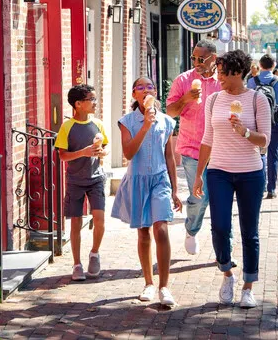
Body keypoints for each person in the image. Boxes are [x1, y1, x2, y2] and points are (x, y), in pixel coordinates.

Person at [193, 50, 271, 308]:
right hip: (218, 172)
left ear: (238, 72)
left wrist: (245, 132)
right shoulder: (213, 99)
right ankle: (227, 273)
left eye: (223, 72)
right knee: (220, 228)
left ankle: (248, 287)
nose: (219, 76)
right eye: (218, 71)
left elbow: (265, 141)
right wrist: (198, 176)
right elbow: (207, 138)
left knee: (250, 232)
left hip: (250, 173)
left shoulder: (257, 100)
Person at [112, 77, 183, 306]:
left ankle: (164, 286)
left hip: (160, 179)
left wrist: (174, 189)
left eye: (149, 87)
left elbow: (169, 157)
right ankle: (148, 283)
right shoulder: (127, 122)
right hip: (137, 180)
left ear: (155, 93)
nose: (145, 90)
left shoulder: (167, 121)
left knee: (161, 229)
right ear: (134, 95)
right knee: (144, 233)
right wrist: (145, 125)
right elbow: (128, 154)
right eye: (139, 87)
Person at [165, 39, 223, 256]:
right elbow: (170, 111)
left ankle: (224, 247)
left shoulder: (223, 81)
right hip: (192, 149)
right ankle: (191, 230)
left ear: (213, 58)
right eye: (193, 58)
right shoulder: (184, 80)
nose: (197, 62)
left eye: (201, 58)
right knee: (200, 197)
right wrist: (186, 99)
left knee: (221, 200)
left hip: (220, 150)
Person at [54, 84, 109, 281]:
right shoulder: (67, 127)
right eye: (91, 99)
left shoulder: (98, 124)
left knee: (100, 219)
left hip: (96, 179)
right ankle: (76, 264)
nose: (95, 102)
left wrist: (101, 152)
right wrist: (83, 152)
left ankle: (94, 254)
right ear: (78, 104)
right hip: (75, 180)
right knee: (75, 222)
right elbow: (62, 156)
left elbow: (105, 148)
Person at [247, 54, 278, 199]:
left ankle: (260, 187)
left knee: (259, 154)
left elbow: (247, 104)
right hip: (275, 122)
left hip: (257, 124)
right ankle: (271, 189)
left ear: (260, 65)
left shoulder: (252, 82)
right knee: (273, 156)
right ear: (273, 66)